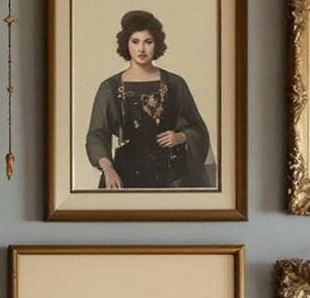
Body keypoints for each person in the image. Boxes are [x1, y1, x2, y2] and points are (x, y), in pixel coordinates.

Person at [84, 10, 214, 192]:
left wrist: (181, 137)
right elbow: (96, 135)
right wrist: (108, 169)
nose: (141, 49)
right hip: (126, 175)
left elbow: (198, 128)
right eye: (135, 41)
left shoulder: (175, 84)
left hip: (172, 176)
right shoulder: (110, 88)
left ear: (157, 44)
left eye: (148, 42)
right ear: (126, 44)